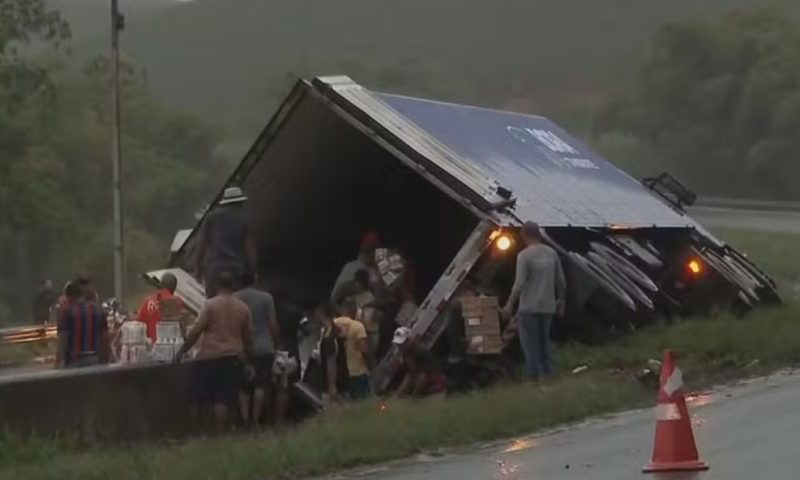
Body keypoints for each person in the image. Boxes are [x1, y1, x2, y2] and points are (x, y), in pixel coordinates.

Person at [174, 271, 255, 434]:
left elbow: (196, 330)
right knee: (223, 399)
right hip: (233, 358)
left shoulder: (209, 305)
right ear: (233, 286)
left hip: (208, 356)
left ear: (217, 285)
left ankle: (199, 433)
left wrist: (182, 351)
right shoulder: (243, 308)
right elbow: (248, 338)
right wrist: (250, 362)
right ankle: (219, 434)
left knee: (200, 397)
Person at [501, 221, 566, 380]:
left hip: (529, 308)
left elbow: (519, 283)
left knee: (530, 346)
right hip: (547, 307)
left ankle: (534, 378)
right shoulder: (551, 253)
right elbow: (561, 280)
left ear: (525, 235)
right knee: (544, 343)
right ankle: (547, 376)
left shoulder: (524, 255)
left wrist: (509, 304)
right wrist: (561, 301)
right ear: (538, 234)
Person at [235, 273, 280, 428]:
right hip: (264, 346)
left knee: (243, 386)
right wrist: (276, 344)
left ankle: (245, 419)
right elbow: (273, 324)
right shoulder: (266, 298)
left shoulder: (235, 299)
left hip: (242, 347)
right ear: (254, 280)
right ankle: (256, 420)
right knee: (261, 384)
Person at [195, 187, 257, 298]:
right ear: (239, 203)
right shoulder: (243, 220)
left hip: (215, 268)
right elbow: (250, 250)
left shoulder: (211, 218)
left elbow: (201, 245)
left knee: (212, 303)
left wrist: (198, 269)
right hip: (236, 269)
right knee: (235, 304)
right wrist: (252, 272)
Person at [55, 281, 111, 368]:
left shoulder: (67, 314)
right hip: (94, 360)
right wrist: (106, 360)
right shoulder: (98, 311)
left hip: (73, 362)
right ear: (82, 294)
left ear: (68, 297)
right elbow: (105, 339)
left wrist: (57, 363)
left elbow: (63, 340)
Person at [334, 298, 374, 400]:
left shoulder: (331, 326)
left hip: (340, 374)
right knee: (368, 401)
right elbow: (364, 350)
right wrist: (371, 366)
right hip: (358, 372)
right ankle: (384, 411)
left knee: (350, 403)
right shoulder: (357, 326)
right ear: (354, 309)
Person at [392, 327, 447, 398]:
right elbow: (409, 375)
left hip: (435, 384)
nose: (399, 347)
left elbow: (422, 376)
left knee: (420, 379)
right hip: (423, 383)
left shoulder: (420, 352)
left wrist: (414, 397)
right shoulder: (406, 355)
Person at [136, 272, 190, 343]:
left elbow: (138, 324)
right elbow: (182, 327)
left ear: (161, 284)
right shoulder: (177, 302)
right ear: (174, 287)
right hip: (170, 346)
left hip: (151, 347)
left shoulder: (148, 301)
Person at [330, 231, 381, 305]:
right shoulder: (351, 267)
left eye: (374, 248)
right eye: (369, 247)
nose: (371, 251)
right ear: (363, 247)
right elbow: (335, 297)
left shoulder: (379, 269)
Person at [352, 269, 379, 356]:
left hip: (370, 335)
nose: (355, 284)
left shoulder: (370, 296)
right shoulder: (355, 298)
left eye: (357, 282)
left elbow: (367, 321)